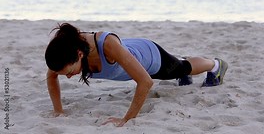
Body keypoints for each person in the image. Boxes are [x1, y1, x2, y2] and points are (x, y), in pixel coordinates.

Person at [45, 23, 228, 127]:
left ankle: (215, 64)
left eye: (69, 73)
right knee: (177, 66)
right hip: (130, 52)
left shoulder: (106, 45)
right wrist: (58, 110)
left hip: (151, 59)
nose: (68, 77)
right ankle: (178, 64)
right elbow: (52, 76)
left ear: (79, 55)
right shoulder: (64, 50)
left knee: (183, 67)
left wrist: (127, 119)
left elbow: (145, 82)